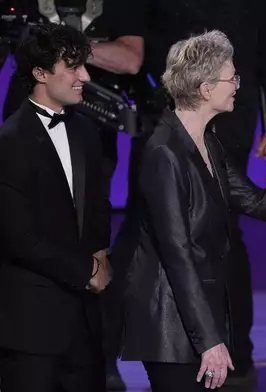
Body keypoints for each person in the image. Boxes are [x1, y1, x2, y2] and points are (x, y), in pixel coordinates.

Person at [109, 30, 266, 391]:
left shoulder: (206, 141)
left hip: (195, 314)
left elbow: (253, 199)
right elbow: (177, 253)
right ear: (204, 88)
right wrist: (208, 340)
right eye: (232, 78)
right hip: (171, 322)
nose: (237, 86)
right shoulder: (164, 153)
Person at [91, 1, 266, 385]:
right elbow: (132, 39)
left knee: (222, 233)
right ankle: (105, 354)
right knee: (144, 232)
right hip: (163, 112)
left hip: (229, 117)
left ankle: (235, 354)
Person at [0, 23, 113, 391]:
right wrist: (87, 270)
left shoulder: (86, 131)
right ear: (40, 73)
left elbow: (97, 205)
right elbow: (19, 238)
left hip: (84, 321)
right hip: (33, 325)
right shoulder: (11, 142)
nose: (85, 76)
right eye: (73, 66)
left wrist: (101, 256)